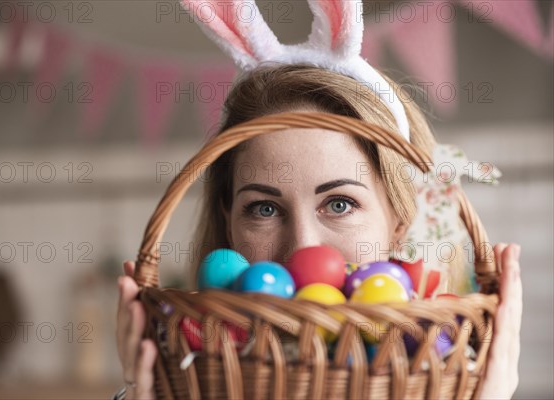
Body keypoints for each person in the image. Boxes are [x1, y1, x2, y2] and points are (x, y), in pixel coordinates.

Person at [114, 64, 523, 400]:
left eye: (340, 204)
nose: (303, 249)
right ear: (229, 222)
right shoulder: (192, 367)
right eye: (265, 208)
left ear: (400, 222)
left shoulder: (438, 362)